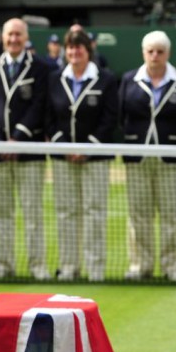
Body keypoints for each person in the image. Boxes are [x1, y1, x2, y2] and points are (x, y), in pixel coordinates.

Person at [0, 17, 51, 280]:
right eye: (9, 35)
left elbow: (39, 105)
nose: (13, 39)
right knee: (1, 212)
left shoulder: (41, 68)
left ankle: (38, 266)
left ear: (26, 37)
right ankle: (3, 264)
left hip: (29, 152)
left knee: (32, 212)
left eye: (18, 35)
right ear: (3, 37)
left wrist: (18, 137)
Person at [45, 28, 118, 281]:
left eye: (80, 48)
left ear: (88, 51)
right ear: (65, 51)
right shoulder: (55, 79)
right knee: (65, 211)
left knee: (94, 211)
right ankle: (69, 267)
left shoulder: (106, 79)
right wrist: (64, 146)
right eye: (71, 48)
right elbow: (49, 118)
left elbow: (110, 118)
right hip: (63, 158)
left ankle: (95, 269)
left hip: (95, 157)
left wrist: (88, 147)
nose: (75, 52)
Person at [119, 30, 176, 281]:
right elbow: (122, 117)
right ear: (144, 53)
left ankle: (173, 266)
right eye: (150, 51)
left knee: (173, 214)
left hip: (171, 157)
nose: (155, 56)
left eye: (160, 51)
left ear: (168, 54)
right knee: (138, 215)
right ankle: (140, 266)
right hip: (138, 156)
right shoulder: (129, 79)